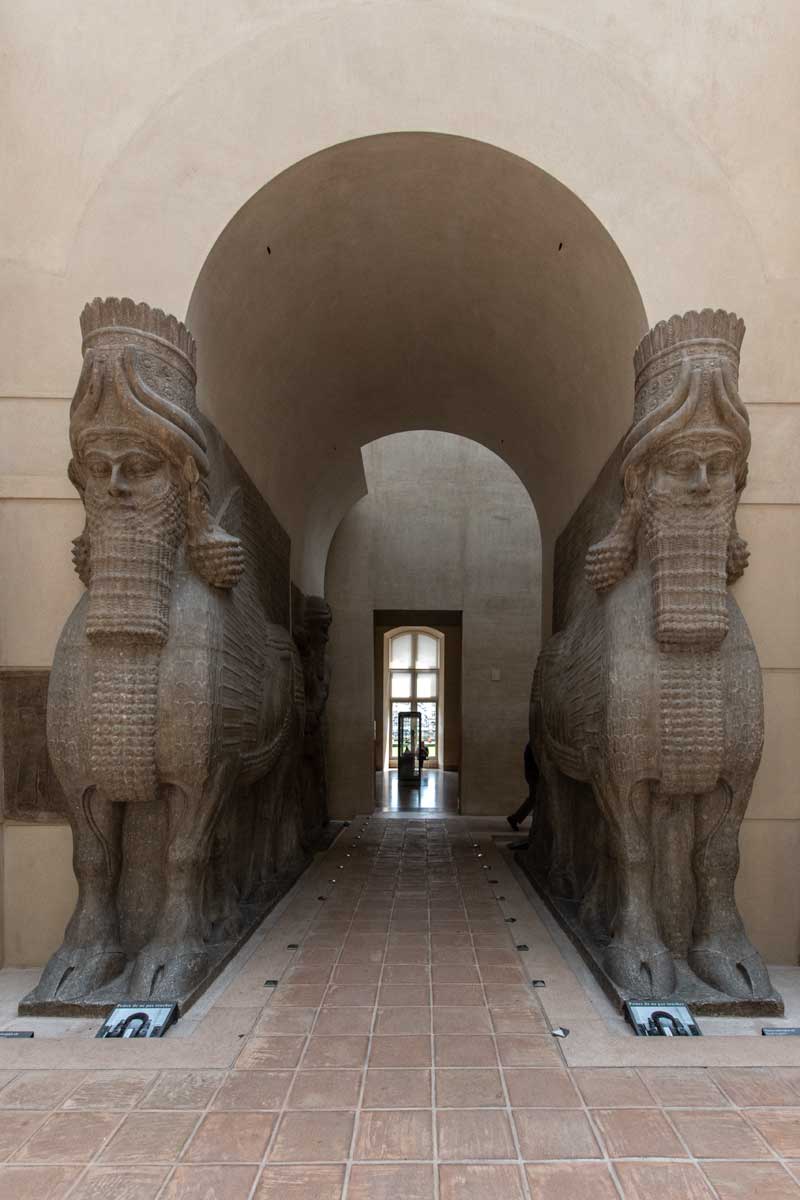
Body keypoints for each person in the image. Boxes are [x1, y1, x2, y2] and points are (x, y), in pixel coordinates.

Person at [507, 742, 539, 831]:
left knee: (535, 799)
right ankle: (515, 818)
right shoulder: (534, 745)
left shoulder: (532, 745)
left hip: (533, 775)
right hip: (534, 776)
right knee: (534, 799)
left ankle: (515, 818)